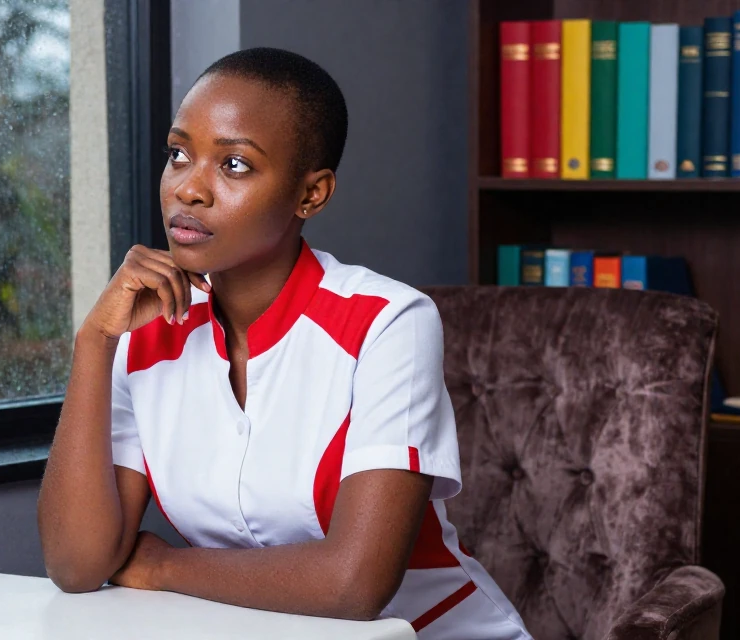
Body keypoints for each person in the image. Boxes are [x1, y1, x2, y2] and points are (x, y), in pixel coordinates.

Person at [37, 47, 531, 640]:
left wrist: (163, 565)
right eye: (178, 154)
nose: (189, 189)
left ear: (311, 194)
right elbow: (77, 565)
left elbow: (354, 584)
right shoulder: (145, 334)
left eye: (234, 165)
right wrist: (94, 342)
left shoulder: (387, 322)